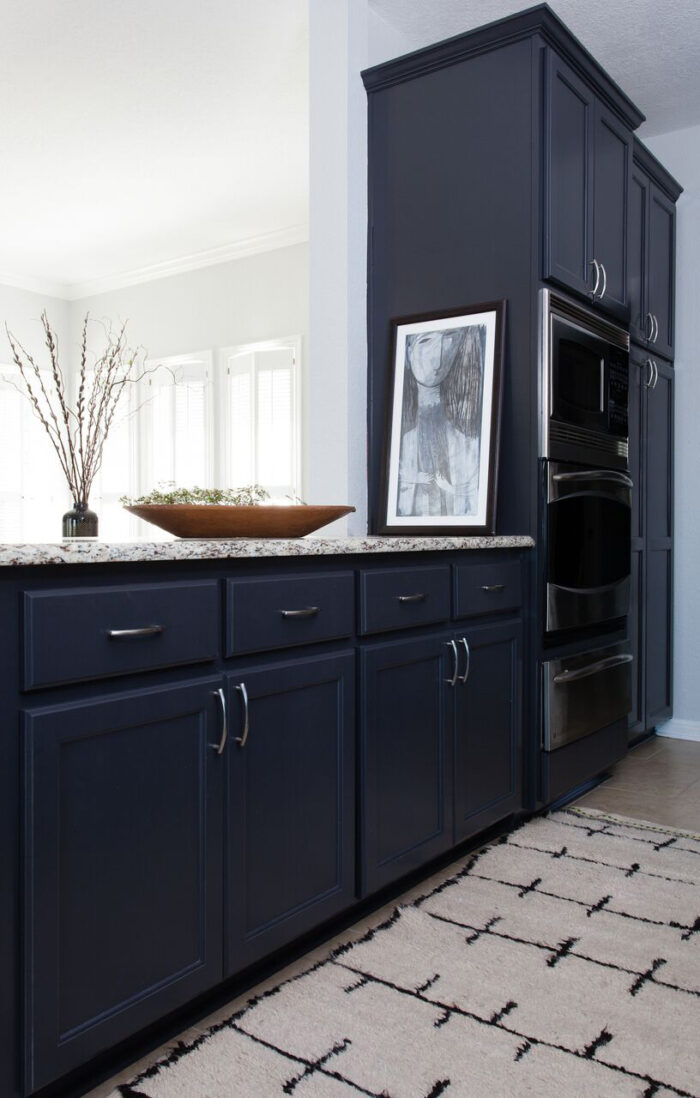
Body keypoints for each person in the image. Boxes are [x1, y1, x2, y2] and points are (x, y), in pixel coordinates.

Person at [397, 325, 483, 517]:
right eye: (426, 341)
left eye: (450, 339)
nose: (438, 359)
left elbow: (471, 496)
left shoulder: (468, 444)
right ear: (408, 351)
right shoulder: (404, 441)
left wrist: (450, 489)